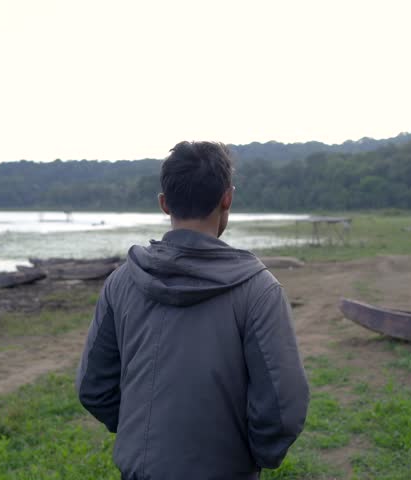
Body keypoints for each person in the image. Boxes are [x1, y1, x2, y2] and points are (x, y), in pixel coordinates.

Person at [76, 141, 309, 480]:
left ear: (164, 204)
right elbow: (282, 407)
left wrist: (140, 432)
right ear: (227, 197)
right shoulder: (259, 290)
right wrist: (254, 456)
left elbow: (93, 388)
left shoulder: (121, 282)